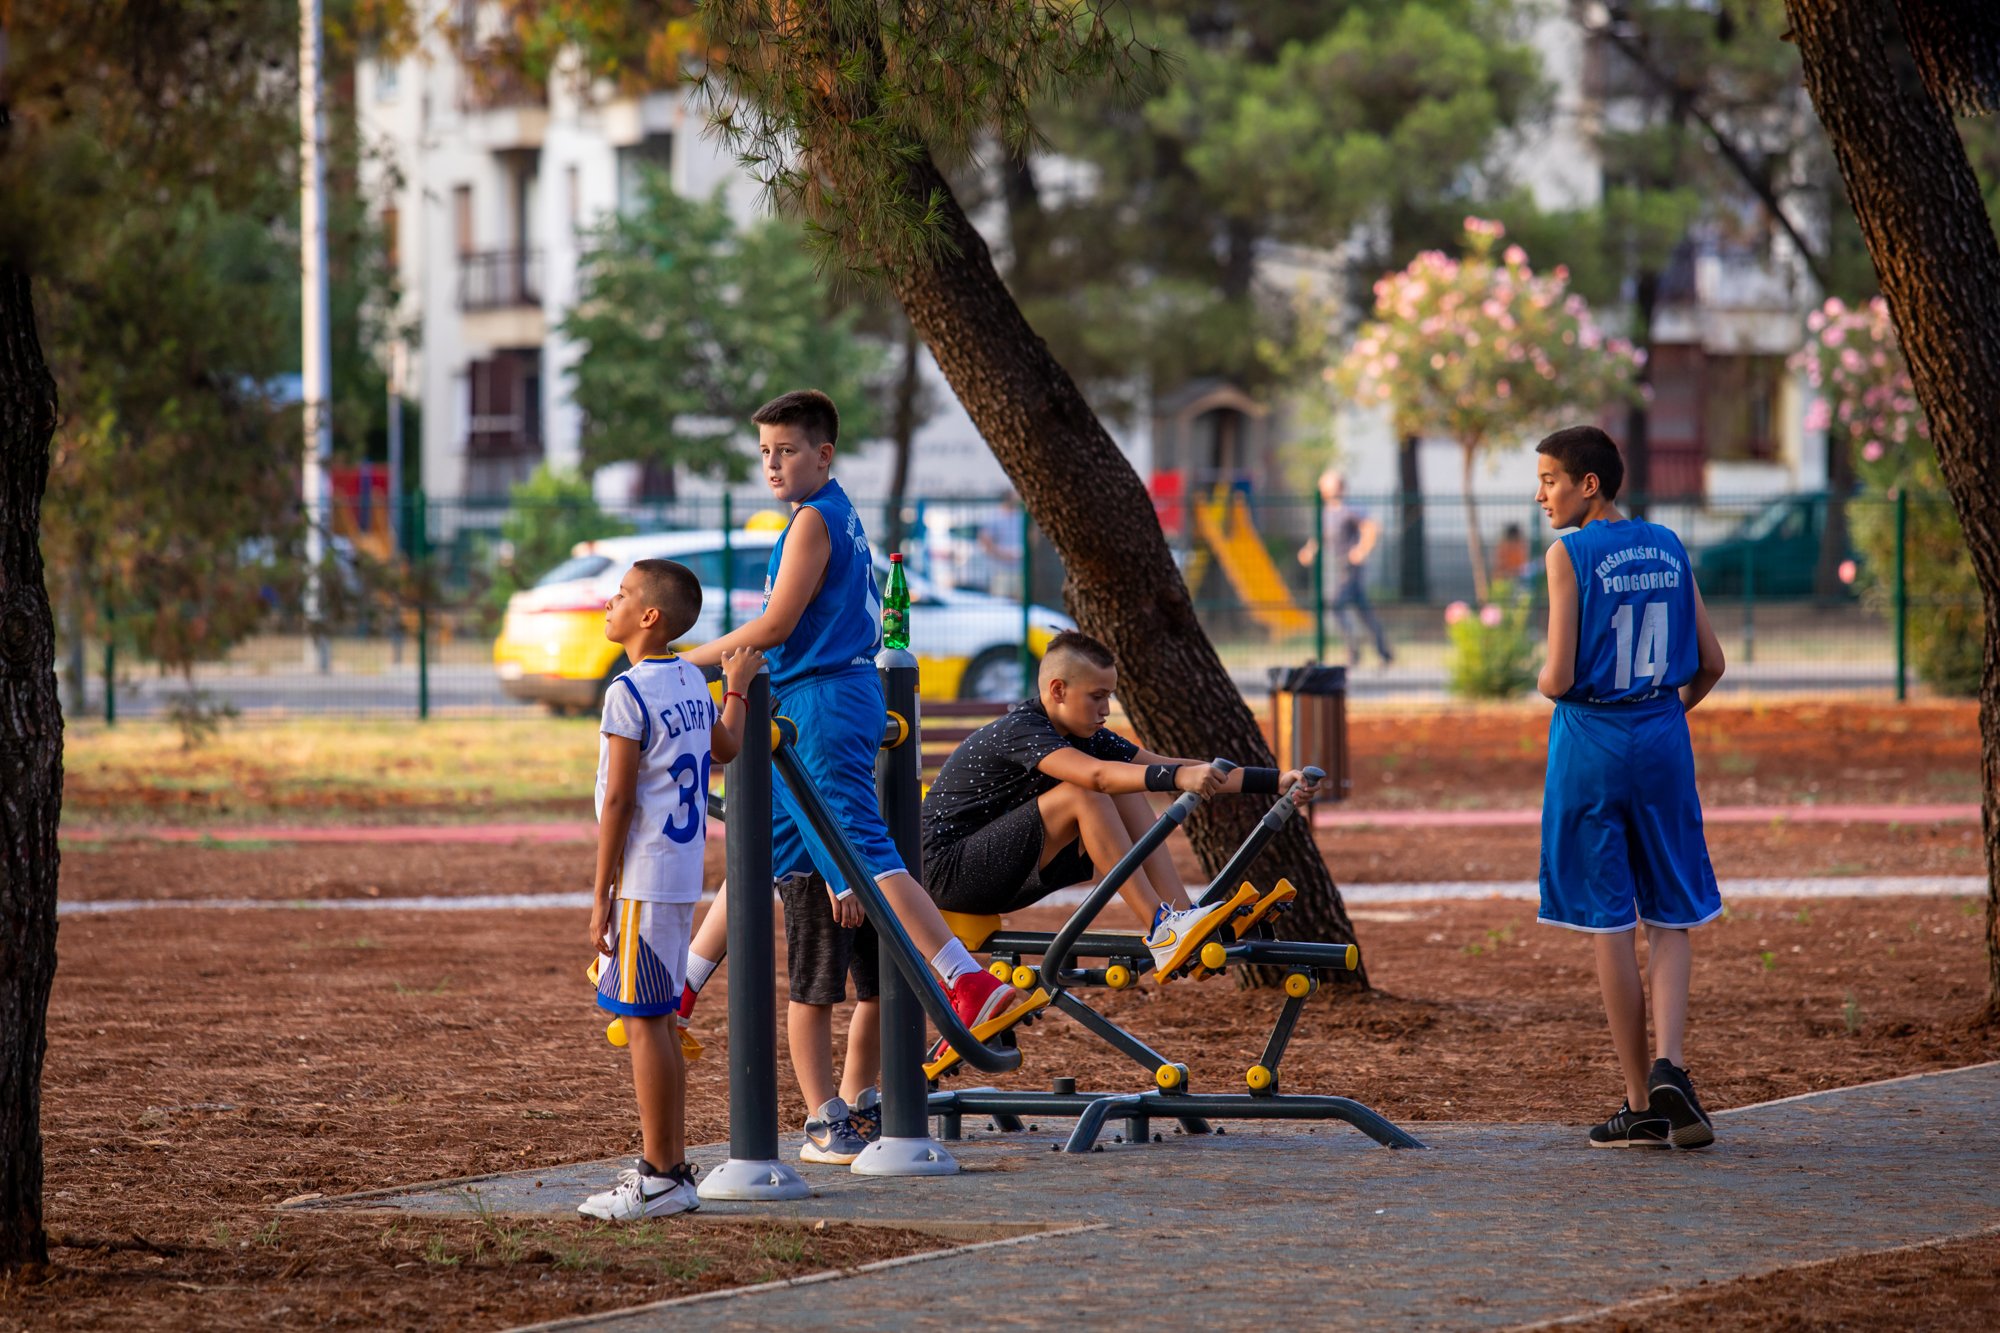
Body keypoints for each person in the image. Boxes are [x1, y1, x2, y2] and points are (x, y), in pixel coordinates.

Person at [678, 389, 1027, 1165]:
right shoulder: (829, 513)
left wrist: (683, 662)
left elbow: (773, 628)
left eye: (788, 450)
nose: (773, 463)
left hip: (823, 703)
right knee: (760, 853)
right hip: (823, 700)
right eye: (765, 451)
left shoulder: (813, 521)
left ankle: (964, 978)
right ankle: (683, 986)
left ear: (823, 453)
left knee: (866, 847)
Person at [1533, 425, 1727, 1151]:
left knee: (1608, 919)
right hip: (1661, 736)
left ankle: (1640, 1097)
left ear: (1590, 484)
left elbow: (1556, 677)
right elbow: (1711, 662)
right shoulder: (1670, 545)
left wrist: (1549, 681)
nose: (1540, 493)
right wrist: (1662, 716)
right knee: (1669, 911)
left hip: (1590, 741)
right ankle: (1672, 1064)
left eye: (1550, 478)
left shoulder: (1569, 553)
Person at [921, 629, 1320, 971]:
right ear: (1058, 690)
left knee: (1127, 787)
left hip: (996, 869)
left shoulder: (1087, 734)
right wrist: (1180, 776)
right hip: (946, 875)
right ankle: (1162, 928)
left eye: (1109, 696)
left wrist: (1278, 781)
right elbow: (1097, 777)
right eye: (1097, 696)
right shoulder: (1023, 729)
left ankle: (1183, 917)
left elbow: (1166, 766)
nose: (1106, 710)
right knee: (1089, 791)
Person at [579, 559, 763, 1220]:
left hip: (642, 878)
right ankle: (668, 1168)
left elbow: (620, 799)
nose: (612, 601)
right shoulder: (690, 676)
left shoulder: (627, 693)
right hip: (680, 873)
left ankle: (661, 1175)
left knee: (646, 1022)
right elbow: (729, 746)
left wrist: (600, 892)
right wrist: (735, 685)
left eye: (623, 594)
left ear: (649, 616)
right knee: (651, 1017)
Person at [1299, 471, 1393, 666]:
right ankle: (1384, 651)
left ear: (1337, 488)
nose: (1322, 490)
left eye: (1325, 486)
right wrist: (1309, 551)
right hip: (1339, 567)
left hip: (1350, 569)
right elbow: (1321, 536)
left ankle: (1354, 649)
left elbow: (1371, 527)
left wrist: (1362, 550)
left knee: (1336, 605)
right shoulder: (1326, 512)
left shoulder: (1350, 509)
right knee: (1363, 611)